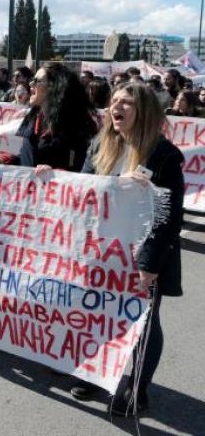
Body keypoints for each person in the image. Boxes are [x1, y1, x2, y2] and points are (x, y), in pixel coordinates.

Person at [69, 82, 183, 415]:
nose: (116, 107)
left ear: (144, 111)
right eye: (114, 101)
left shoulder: (164, 155)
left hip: (141, 255)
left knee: (143, 322)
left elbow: (167, 218)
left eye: (127, 103)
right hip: (101, 251)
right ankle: (95, 374)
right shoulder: (99, 145)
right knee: (97, 313)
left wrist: (148, 266)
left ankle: (137, 388)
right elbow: (82, 191)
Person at [0, 63, 98, 172]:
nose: (31, 85)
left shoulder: (76, 125)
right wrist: (5, 160)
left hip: (56, 190)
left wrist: (57, 173)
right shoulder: (32, 119)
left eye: (37, 81)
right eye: (32, 80)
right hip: (30, 189)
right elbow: (26, 159)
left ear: (53, 87)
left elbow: (85, 168)